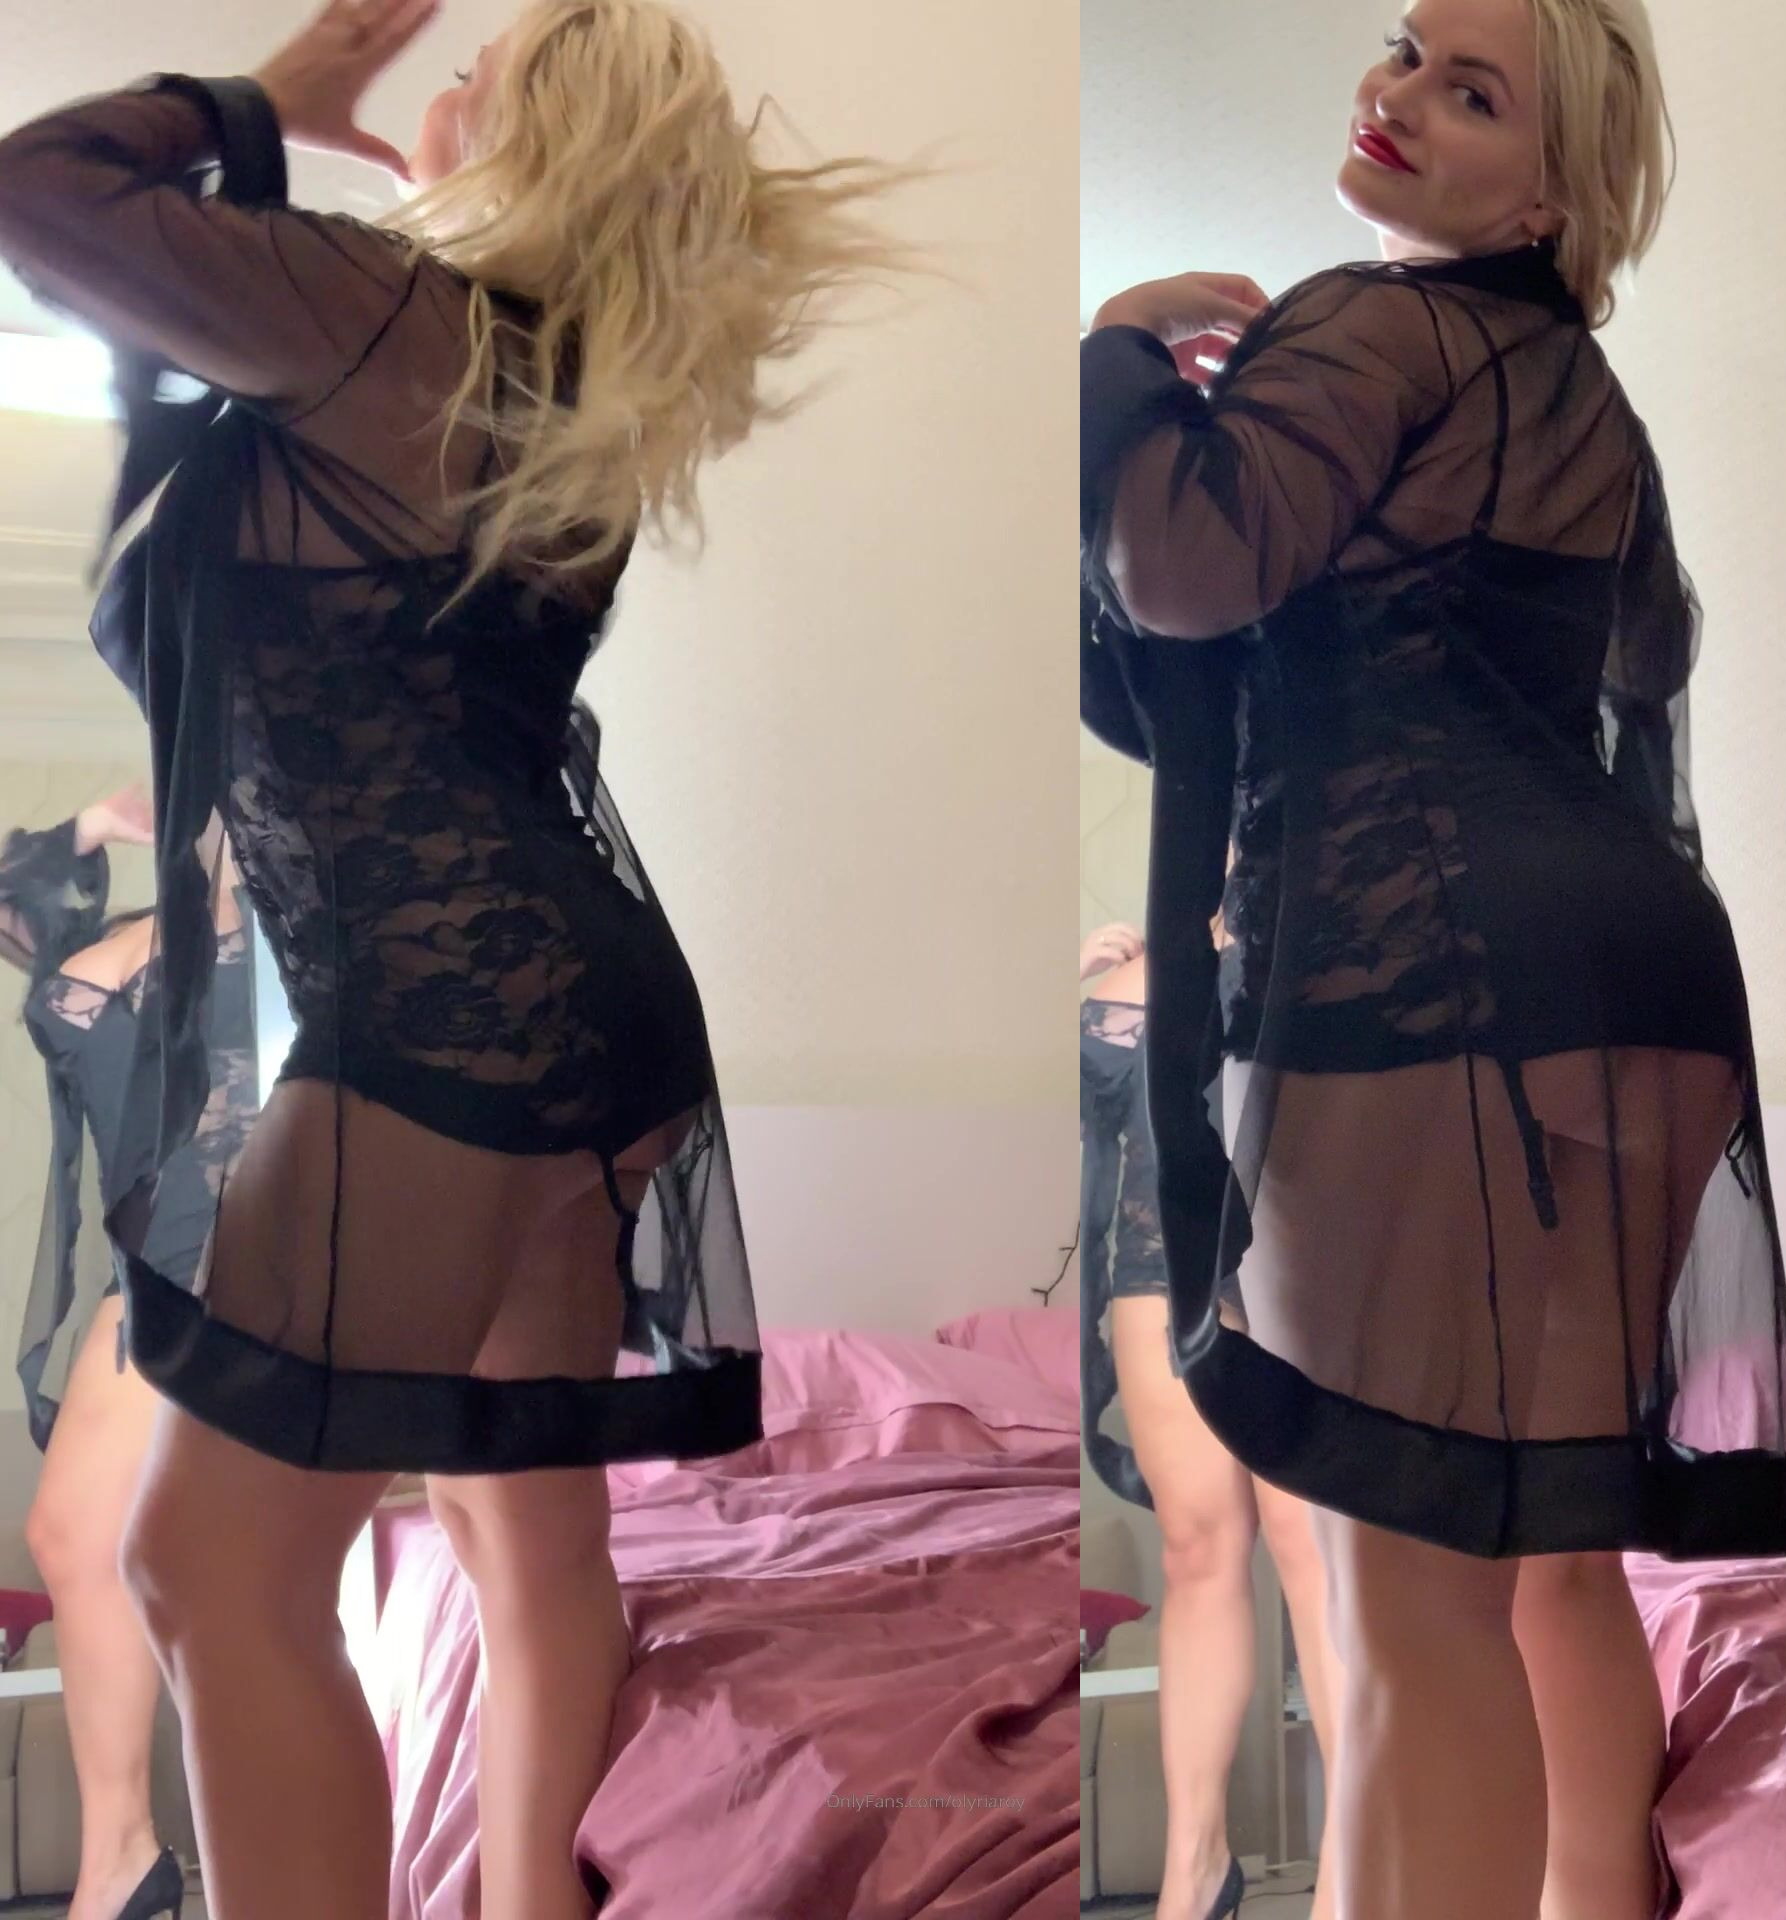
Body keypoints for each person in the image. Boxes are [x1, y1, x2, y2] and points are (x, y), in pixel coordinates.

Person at [0, 3, 906, 1914]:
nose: (448, 78)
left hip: (447, 1010)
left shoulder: (378, 318)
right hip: (593, 1009)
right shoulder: (552, 381)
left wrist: (273, 95)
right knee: (524, 1531)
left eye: (485, 65)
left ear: (547, 130)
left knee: (209, 1568)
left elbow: (34, 190)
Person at [1081, 2, 1786, 1913]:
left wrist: (1117, 362)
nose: (1398, 96)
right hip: (1638, 980)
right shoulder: (1586, 407)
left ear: (1553, 193)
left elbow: (1178, 576)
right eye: (1407, 48)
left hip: (1421, 983)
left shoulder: (1378, 321)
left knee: (1405, 1608)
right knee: (1535, 1568)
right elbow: (1594, 677)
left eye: (1471, 93)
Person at [0, 786, 248, 1920]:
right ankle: (126, 1861)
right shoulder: (123, 928)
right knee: (82, 1539)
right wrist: (94, 826)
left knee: (200, 1570)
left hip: (229, 1260)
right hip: (142, 1265)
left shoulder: (293, 935)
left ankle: (147, 1868)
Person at [1079, 919, 1341, 1920]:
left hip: (1302, 1239)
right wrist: (1088, 983)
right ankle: (1196, 1871)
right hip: (1163, 1252)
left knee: (1313, 1553)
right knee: (1197, 1550)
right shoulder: (1153, 942)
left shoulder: (1353, 898)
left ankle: (1352, 1865)